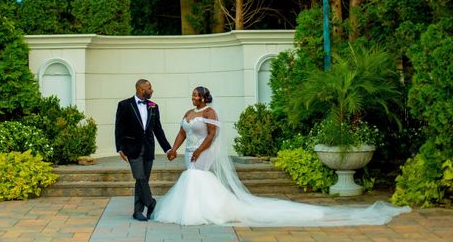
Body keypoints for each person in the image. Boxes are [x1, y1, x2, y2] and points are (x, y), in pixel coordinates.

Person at [152, 86, 411, 226]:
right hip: (188, 151)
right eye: (193, 96)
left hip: (204, 151)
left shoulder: (210, 113)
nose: (193, 98)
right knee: (192, 178)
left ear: (204, 97)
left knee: (198, 177)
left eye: (196, 95)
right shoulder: (188, 112)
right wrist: (174, 149)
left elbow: (211, 136)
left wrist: (200, 150)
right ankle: (196, 208)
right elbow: (182, 132)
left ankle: (209, 210)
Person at [115, 78, 173, 221]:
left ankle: (138, 211)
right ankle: (151, 202)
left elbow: (158, 130)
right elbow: (119, 128)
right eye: (149, 88)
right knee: (139, 177)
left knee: (143, 180)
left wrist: (168, 149)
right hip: (132, 149)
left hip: (148, 149)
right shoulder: (124, 105)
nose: (152, 90)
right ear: (141, 90)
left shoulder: (154, 106)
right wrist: (120, 148)